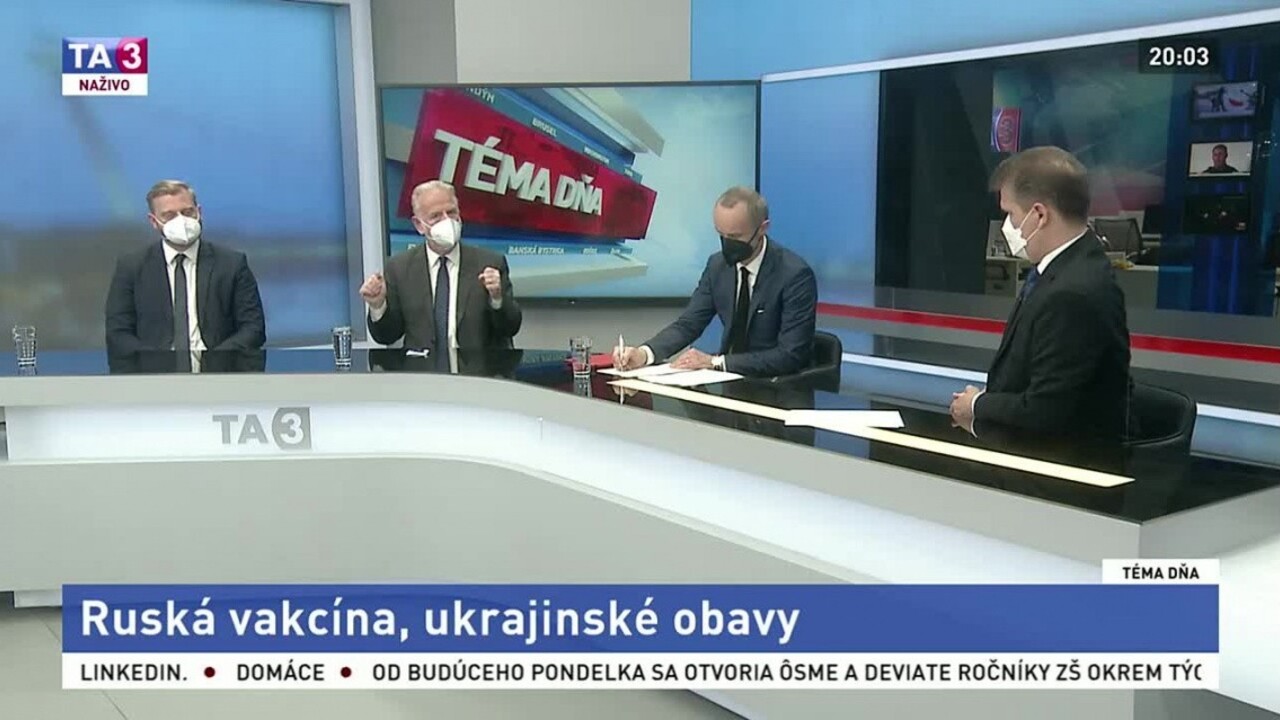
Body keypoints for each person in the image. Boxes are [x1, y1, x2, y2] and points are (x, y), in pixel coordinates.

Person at [950, 147, 1131, 441]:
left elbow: (1046, 412)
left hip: (1059, 463)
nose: (1007, 226)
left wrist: (976, 405)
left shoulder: (1073, 293)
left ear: (1039, 215)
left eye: (1010, 214)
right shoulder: (1063, 268)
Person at [613, 186, 817, 377]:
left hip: (774, 386)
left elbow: (790, 355)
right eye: (721, 234)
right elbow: (688, 325)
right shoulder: (717, 266)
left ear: (763, 228)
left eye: (735, 236)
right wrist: (644, 354)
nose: (727, 243)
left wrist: (716, 362)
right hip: (726, 381)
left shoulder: (794, 275)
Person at [105, 180, 266, 372]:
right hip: (153, 377)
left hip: (220, 374)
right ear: (154, 221)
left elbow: (253, 328)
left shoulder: (231, 264)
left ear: (199, 212)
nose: (181, 221)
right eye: (169, 215)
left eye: (187, 212)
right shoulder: (132, 267)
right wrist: (157, 365)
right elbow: (119, 333)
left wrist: (215, 362)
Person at [360, 180, 521, 370]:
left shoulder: (489, 263)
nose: (447, 221)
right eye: (436, 216)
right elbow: (387, 336)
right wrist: (378, 305)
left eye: (451, 212)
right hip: (423, 379)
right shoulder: (399, 268)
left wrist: (497, 299)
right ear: (419, 225)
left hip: (477, 379)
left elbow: (510, 328)